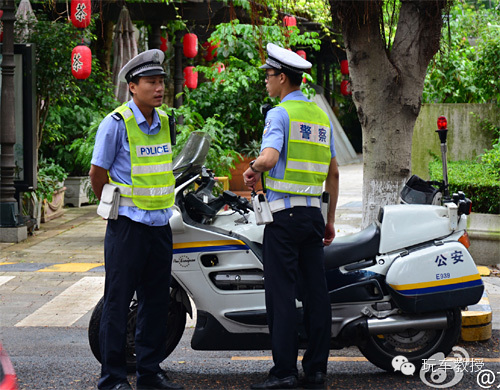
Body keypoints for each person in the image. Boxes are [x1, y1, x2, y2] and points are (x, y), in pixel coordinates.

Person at [243, 43, 339, 390]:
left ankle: (284, 373)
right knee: (316, 294)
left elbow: (269, 157)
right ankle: (315, 369)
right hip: (313, 217)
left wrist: (252, 170)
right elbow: (334, 174)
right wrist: (328, 220)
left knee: (281, 295)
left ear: (282, 78)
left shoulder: (279, 114)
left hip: (283, 219)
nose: (267, 82)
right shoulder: (320, 117)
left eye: (269, 76)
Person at [89, 49, 182, 390]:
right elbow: (97, 174)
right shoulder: (115, 125)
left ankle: (149, 371)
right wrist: (116, 206)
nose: (159, 88)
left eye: (161, 82)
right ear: (133, 86)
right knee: (117, 301)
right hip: (127, 227)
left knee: (156, 302)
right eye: (151, 82)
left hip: (159, 227)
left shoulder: (166, 122)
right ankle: (112, 377)